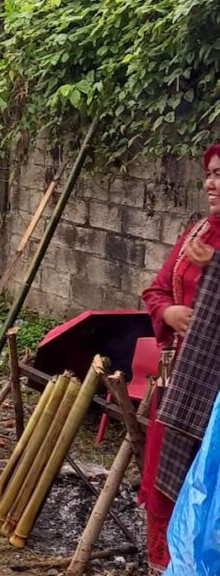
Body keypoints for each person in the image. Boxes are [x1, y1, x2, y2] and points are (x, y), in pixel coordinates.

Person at [139, 143, 220, 575]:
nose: (211, 183)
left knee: (211, 490)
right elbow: (155, 289)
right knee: (167, 480)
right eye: (209, 173)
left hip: (216, 396)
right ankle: (165, 565)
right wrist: (168, 313)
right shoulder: (198, 233)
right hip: (178, 385)